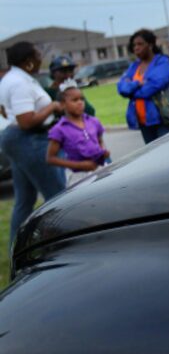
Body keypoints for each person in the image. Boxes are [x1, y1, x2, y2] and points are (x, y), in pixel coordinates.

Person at [0, 42, 66, 249]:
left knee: (25, 199)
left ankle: (16, 248)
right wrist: (53, 106)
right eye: (38, 56)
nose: (40, 59)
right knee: (57, 196)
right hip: (28, 139)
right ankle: (63, 244)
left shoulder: (12, 79)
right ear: (28, 61)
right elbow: (26, 121)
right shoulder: (19, 83)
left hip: (17, 139)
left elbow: (4, 110)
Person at [117, 29, 169, 144]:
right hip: (143, 122)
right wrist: (137, 83)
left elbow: (154, 86)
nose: (136, 48)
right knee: (153, 158)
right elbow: (121, 87)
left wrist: (131, 91)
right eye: (134, 45)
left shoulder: (162, 61)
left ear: (150, 45)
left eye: (140, 44)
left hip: (163, 118)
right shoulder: (134, 66)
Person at [46, 81, 109, 187]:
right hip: (78, 176)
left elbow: (100, 141)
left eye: (82, 99)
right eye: (75, 100)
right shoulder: (59, 129)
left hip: (100, 169)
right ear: (62, 104)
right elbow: (50, 158)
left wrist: (103, 151)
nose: (80, 103)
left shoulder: (93, 121)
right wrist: (79, 165)